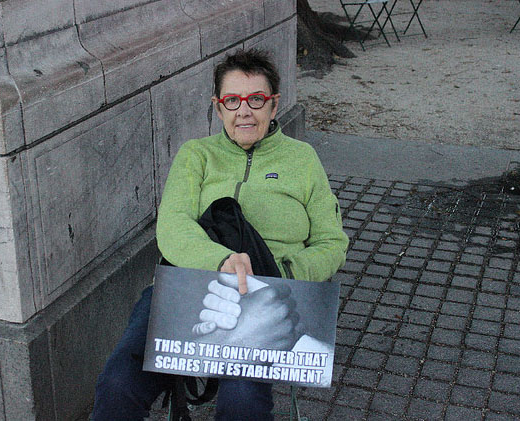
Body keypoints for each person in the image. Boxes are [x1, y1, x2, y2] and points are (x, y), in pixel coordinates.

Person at [92, 49, 349, 420]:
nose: (244, 110)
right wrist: (222, 261)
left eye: (256, 99)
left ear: (274, 106)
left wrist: (282, 276)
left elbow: (332, 241)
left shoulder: (303, 159)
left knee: (242, 400)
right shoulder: (196, 155)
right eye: (233, 100)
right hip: (191, 286)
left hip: (271, 296)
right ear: (218, 108)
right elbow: (173, 227)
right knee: (118, 384)